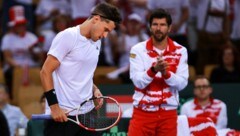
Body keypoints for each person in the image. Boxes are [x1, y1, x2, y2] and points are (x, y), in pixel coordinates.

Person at [39, 2, 121, 136]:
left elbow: (82, 74)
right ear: (96, 19)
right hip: (63, 115)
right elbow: (45, 72)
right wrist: (54, 107)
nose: (105, 35)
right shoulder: (68, 36)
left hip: (88, 114)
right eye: (105, 29)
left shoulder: (97, 41)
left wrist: (94, 89)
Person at [128, 8, 189, 136]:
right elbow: (138, 82)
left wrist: (166, 73)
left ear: (169, 28)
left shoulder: (180, 50)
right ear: (150, 27)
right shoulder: (137, 50)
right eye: (155, 24)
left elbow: (182, 84)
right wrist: (153, 70)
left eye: (162, 25)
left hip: (168, 113)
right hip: (143, 113)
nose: (158, 28)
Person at [1, 5, 43, 98]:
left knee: (40, 73)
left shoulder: (32, 37)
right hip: (14, 68)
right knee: (11, 73)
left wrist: (32, 51)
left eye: (22, 24)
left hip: (32, 66)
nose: (21, 27)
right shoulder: (7, 38)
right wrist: (19, 67)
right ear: (13, 26)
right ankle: (12, 98)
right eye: (18, 25)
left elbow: (39, 58)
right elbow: (7, 57)